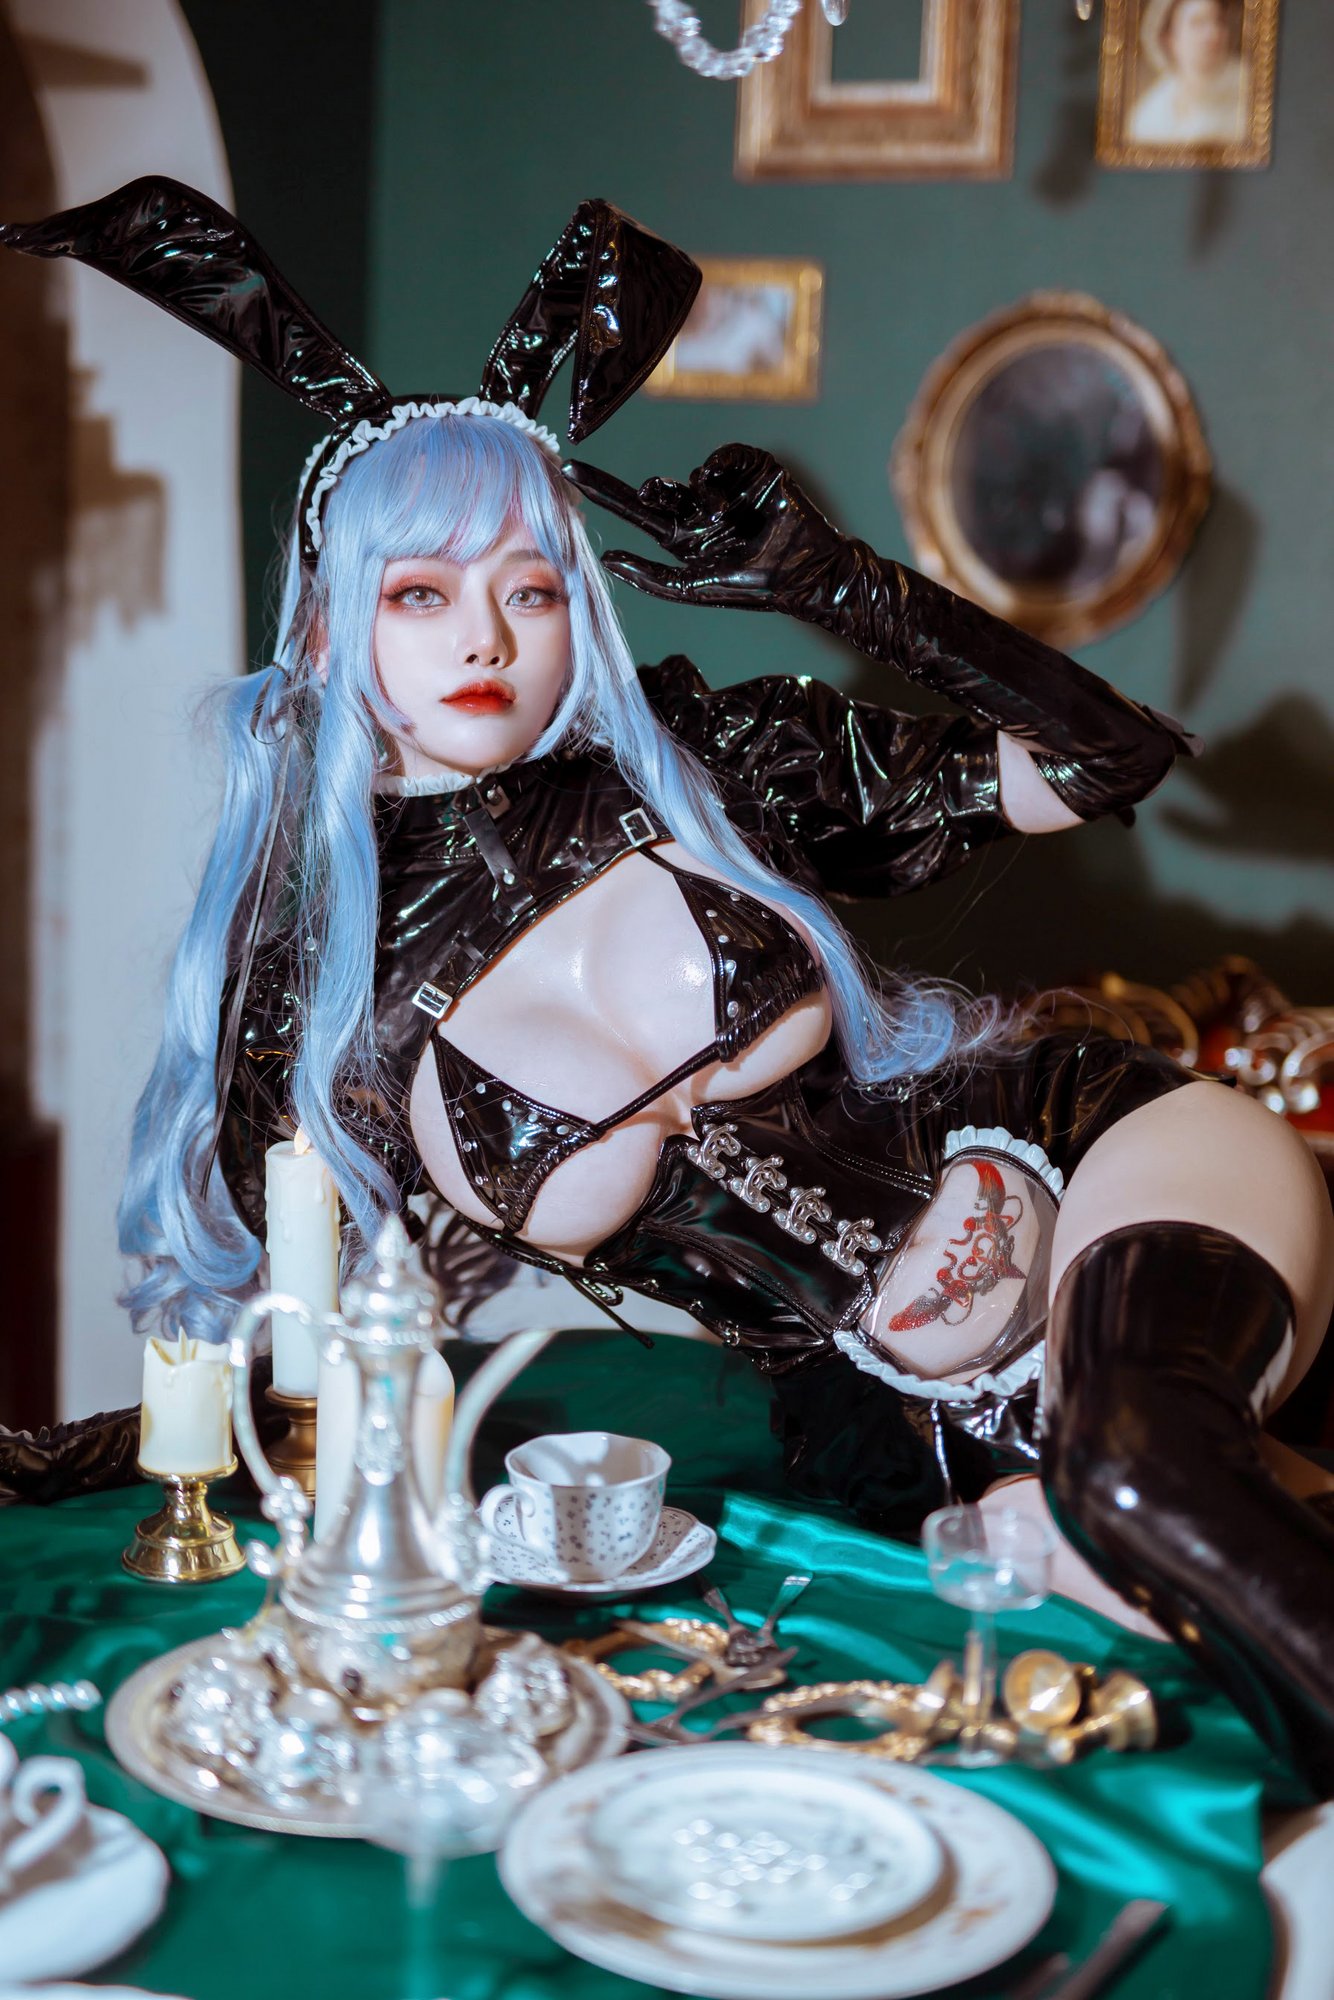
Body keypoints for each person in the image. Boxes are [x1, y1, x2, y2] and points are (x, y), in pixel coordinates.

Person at [5, 180, 1333, 1794]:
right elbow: (274, 1337)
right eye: (420, 594)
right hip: (889, 1429)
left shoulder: (710, 763)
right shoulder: (320, 988)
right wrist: (75, 1460)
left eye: (529, 588)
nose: (484, 638)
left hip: (1091, 1157)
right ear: (331, 635)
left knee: (1133, 1479)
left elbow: (1102, 759)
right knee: (1110, 1609)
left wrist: (841, 589)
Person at [1127, 0, 1249, 148]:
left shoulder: (1249, 90)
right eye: (1198, 23)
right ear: (1169, 38)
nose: (1213, 34)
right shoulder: (1150, 113)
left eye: (1219, 21)